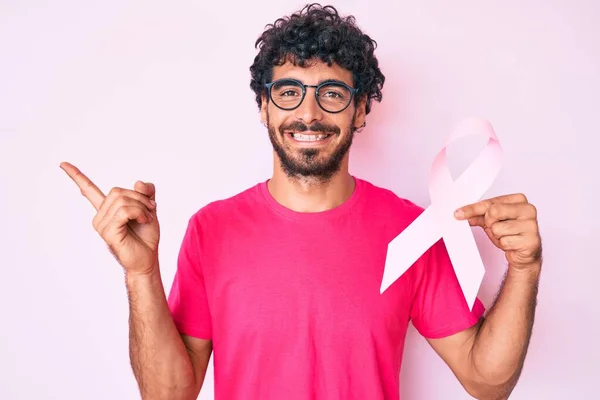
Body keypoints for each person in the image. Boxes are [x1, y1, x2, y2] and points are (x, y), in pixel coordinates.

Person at [60, 3, 542, 400]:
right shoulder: (211, 230)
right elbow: (168, 396)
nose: (308, 113)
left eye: (331, 93)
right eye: (289, 92)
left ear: (359, 110)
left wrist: (524, 267)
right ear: (264, 106)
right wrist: (141, 274)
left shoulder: (411, 231)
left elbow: (488, 381)